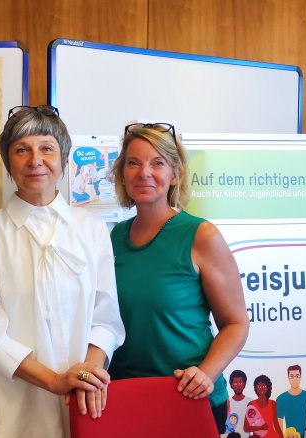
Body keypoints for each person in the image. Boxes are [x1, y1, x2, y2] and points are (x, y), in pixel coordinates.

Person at [0, 105, 125, 438]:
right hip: (14, 408)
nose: (35, 160)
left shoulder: (92, 229)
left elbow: (106, 320)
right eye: (21, 150)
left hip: (84, 398)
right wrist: (54, 381)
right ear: (8, 163)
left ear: (63, 159)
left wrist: (87, 375)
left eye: (47, 148)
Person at [107, 122, 249, 434]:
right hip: (125, 395)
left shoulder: (201, 235)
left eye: (157, 163)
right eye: (133, 163)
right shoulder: (114, 238)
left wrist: (206, 373)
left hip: (188, 397)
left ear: (175, 174)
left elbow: (236, 324)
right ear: (122, 174)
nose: (144, 172)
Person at [277, 365, 306, 438]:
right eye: (292, 376)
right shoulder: (281, 399)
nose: (294, 379)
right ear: (288, 378)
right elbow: (279, 423)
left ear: (300, 377)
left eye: (297, 376)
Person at [229, 369, 255, 436]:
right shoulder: (227, 403)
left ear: (244, 384)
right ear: (231, 385)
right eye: (235, 382)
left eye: (240, 382)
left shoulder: (251, 402)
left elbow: (255, 424)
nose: (238, 385)